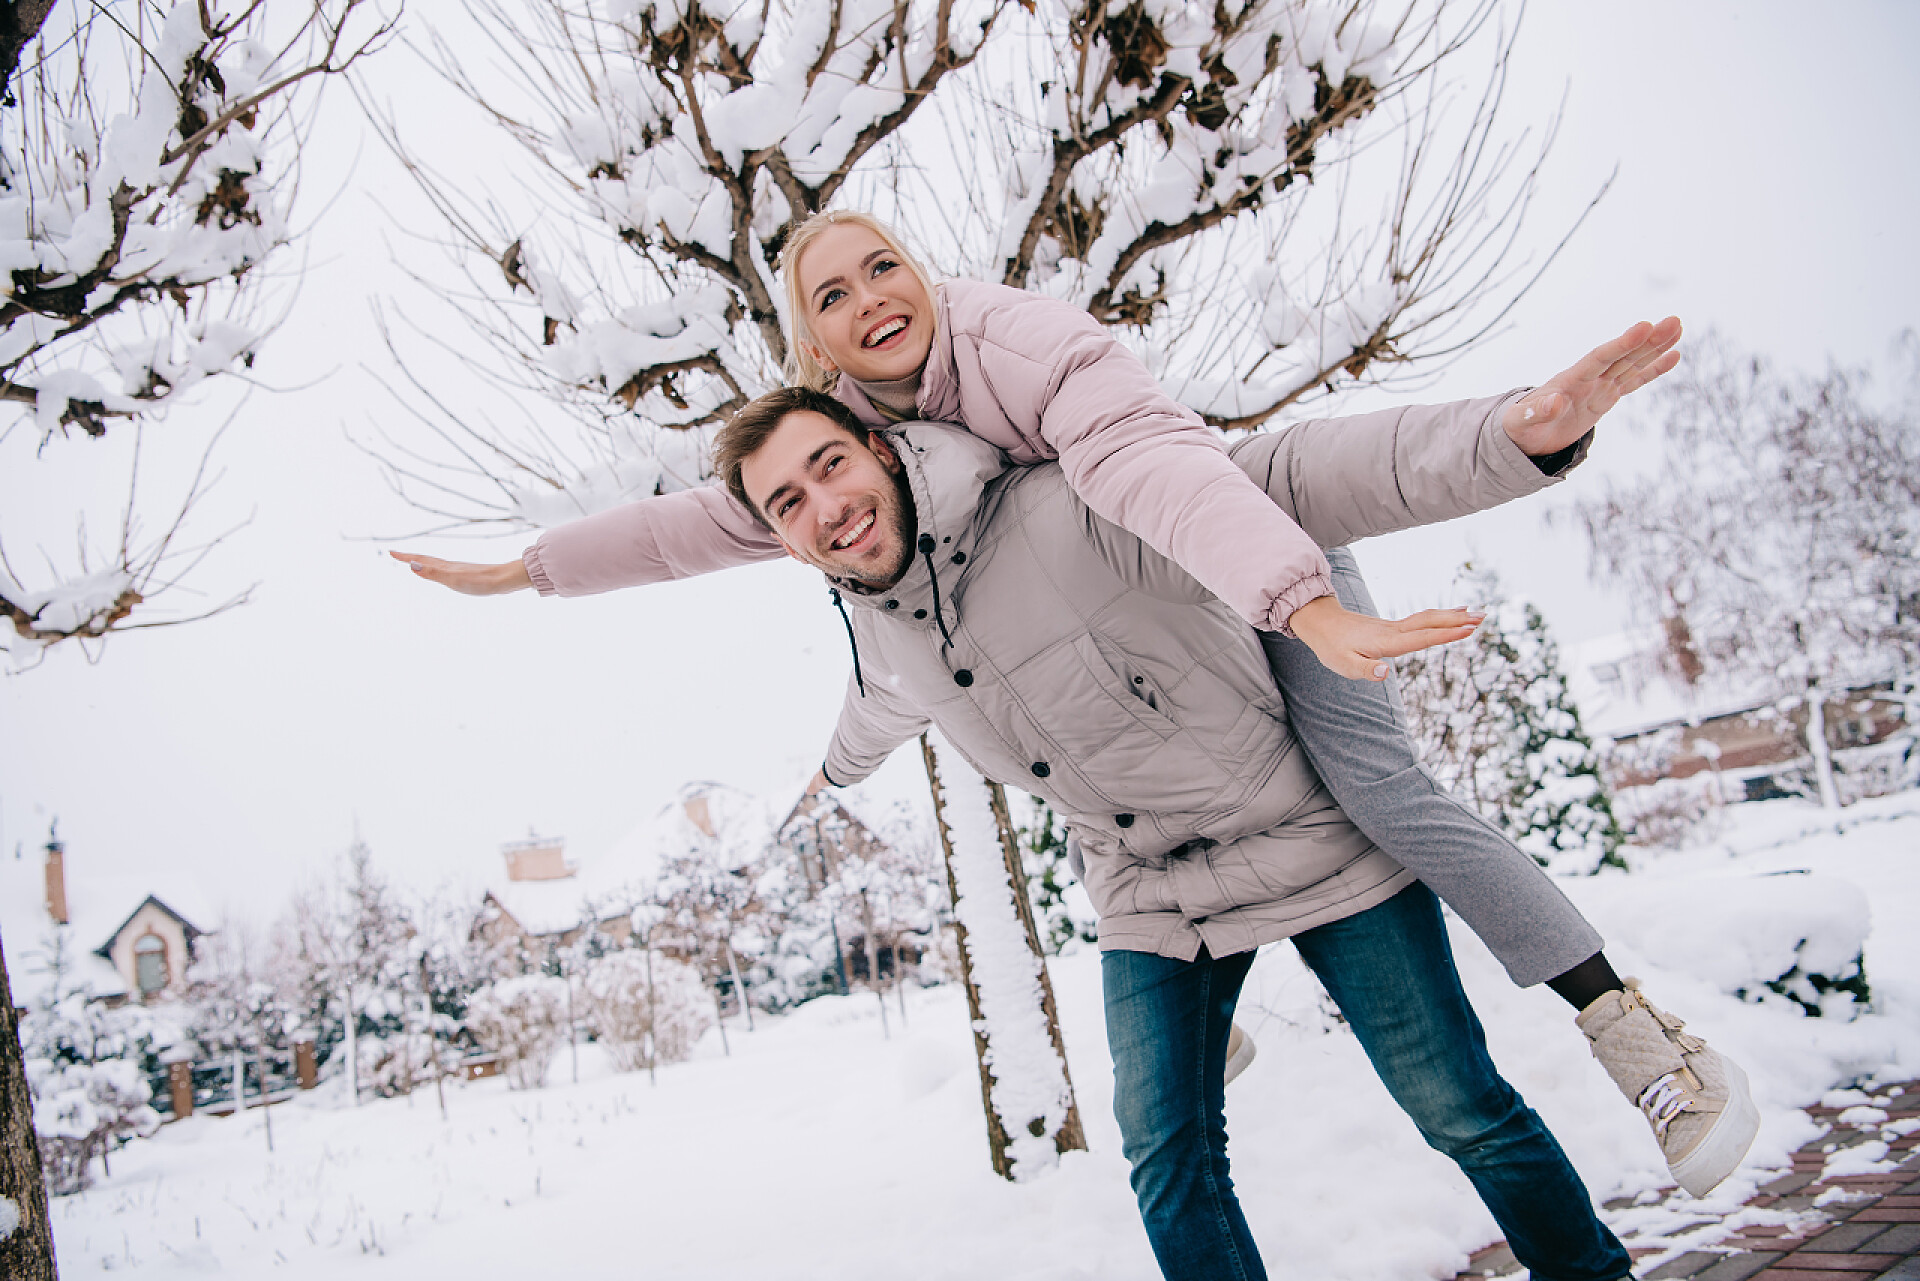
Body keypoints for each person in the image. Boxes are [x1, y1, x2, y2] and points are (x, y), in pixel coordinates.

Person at [392, 211, 1755, 1199]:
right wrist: (530, 570)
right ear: (813, 345)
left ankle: (1632, 1027)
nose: (873, 297)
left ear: (921, 273)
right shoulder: (844, 456)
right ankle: (1194, 1016)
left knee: (1380, 792)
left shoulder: (1021, 348)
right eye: (834, 292)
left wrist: (1445, 488)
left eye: (884, 264)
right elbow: (696, 533)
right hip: (1134, 659)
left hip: (1238, 548)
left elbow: (1174, 469)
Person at [716, 384, 1650, 1279]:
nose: (825, 507)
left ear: (880, 450)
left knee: (1458, 1106)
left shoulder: (1062, 506)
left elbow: (1273, 487)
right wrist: (830, 777)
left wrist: (1508, 441)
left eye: (830, 464)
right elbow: (876, 709)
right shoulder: (883, 634)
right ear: (784, 542)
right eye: (788, 502)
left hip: (1309, 835)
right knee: (1168, 1159)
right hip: (1151, 893)